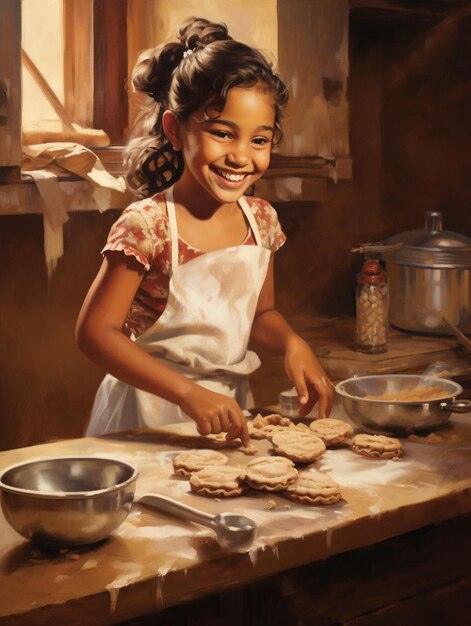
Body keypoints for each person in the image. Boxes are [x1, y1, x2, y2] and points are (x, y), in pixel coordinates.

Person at [76, 17, 334, 446]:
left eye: (259, 140)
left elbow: (260, 315)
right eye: (222, 133)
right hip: (144, 414)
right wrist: (187, 392)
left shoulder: (262, 221)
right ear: (176, 131)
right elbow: (94, 333)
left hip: (227, 412)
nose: (240, 157)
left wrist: (291, 342)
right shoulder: (148, 226)